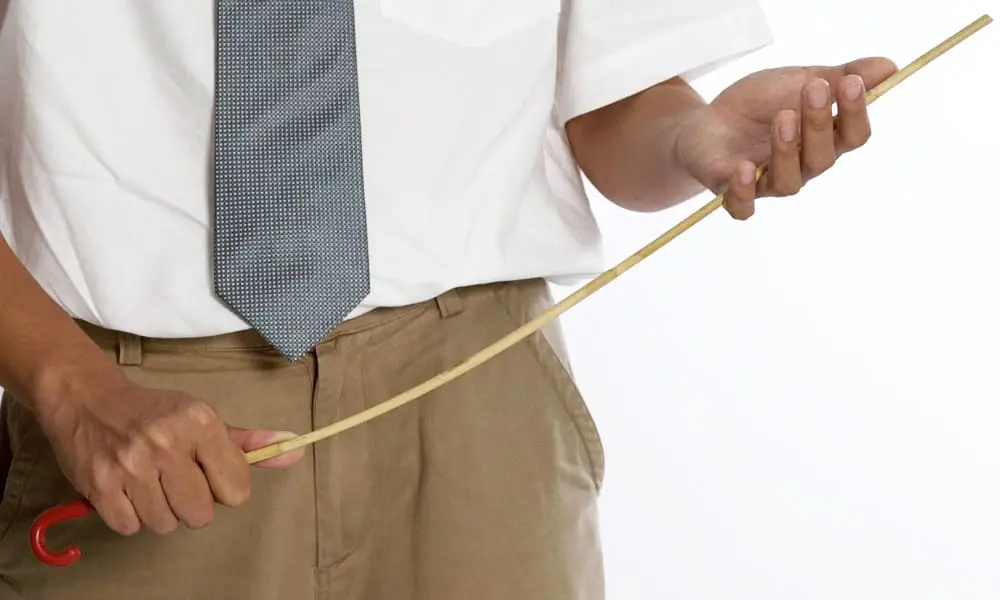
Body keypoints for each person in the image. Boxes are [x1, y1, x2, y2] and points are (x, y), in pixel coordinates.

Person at [0, 1, 896, 598]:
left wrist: (692, 137)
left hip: (478, 412)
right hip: (144, 438)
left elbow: (612, 97)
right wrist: (73, 392)